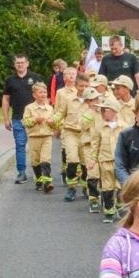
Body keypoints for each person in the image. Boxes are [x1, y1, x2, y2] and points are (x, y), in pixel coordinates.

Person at [1, 54, 46, 184]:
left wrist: (46, 113)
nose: (20, 65)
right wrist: (6, 118)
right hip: (18, 118)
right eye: (18, 63)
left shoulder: (35, 78)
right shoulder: (10, 80)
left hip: (35, 118)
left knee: (37, 146)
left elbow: (44, 96)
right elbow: (6, 99)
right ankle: (21, 172)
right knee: (20, 145)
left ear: (27, 63)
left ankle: (39, 173)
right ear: (14, 65)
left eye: (22, 62)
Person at [55, 67, 88, 203]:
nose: (83, 89)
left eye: (86, 86)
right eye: (81, 86)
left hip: (86, 135)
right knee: (72, 159)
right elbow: (60, 113)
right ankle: (72, 187)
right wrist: (53, 121)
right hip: (70, 132)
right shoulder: (68, 99)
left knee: (86, 163)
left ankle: (86, 186)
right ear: (76, 85)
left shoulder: (92, 100)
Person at [21, 82, 58, 193]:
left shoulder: (50, 108)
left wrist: (53, 123)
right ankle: (39, 179)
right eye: (40, 92)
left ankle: (47, 183)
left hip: (47, 136)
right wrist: (35, 120)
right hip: (34, 137)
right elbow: (25, 122)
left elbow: (54, 123)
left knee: (45, 159)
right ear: (34, 95)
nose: (43, 94)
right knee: (35, 161)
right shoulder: (29, 108)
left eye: (45, 92)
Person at [94, 101, 126, 220]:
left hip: (120, 161)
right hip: (105, 160)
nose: (102, 113)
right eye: (101, 110)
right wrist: (93, 159)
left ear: (114, 111)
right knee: (107, 187)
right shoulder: (99, 127)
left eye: (105, 110)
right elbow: (95, 144)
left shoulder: (124, 127)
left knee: (122, 185)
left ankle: (120, 204)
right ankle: (109, 211)